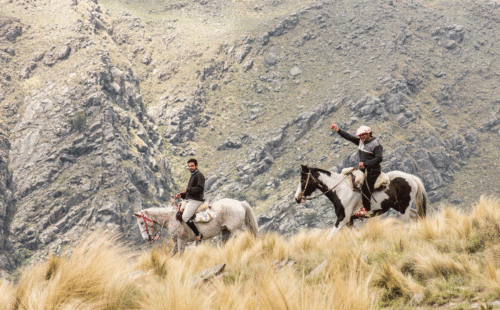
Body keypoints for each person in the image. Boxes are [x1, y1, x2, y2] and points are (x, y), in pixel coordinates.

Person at [330, 122, 383, 218]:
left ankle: (366, 209)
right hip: (363, 169)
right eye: (360, 135)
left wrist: (365, 164)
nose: (362, 136)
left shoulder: (376, 144)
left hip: (373, 170)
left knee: (365, 186)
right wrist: (337, 130)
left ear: (369, 133)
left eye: (364, 134)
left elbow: (379, 158)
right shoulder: (361, 142)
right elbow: (349, 137)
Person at [174, 158, 206, 244]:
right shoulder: (193, 175)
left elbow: (200, 188)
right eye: (189, 166)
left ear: (196, 166)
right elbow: (190, 193)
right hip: (191, 199)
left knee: (185, 217)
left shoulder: (199, 175)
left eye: (192, 166)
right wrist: (181, 195)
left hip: (196, 200)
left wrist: (188, 190)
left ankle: (198, 234)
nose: (190, 168)